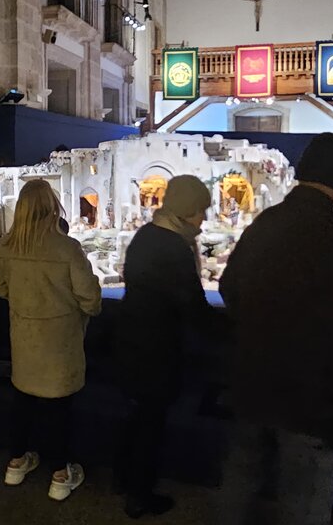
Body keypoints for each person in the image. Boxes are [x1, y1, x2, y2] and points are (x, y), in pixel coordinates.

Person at [218, 133, 333, 524]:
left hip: (250, 372)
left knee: (242, 470)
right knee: (305, 485)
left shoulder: (265, 223)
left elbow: (228, 287)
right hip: (306, 387)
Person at [113, 174, 218, 518]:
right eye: (200, 210)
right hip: (156, 350)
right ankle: (139, 496)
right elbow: (192, 306)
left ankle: (123, 479)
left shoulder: (146, 235)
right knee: (149, 424)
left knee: (135, 418)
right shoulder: (174, 248)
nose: (203, 218)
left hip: (131, 342)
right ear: (187, 210)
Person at [0, 180, 102, 502]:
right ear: (53, 206)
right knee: (59, 408)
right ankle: (59, 475)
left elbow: (1, 289)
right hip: (60, 341)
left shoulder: (6, 247)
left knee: (23, 401)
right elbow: (90, 297)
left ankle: (16, 463)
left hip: (24, 338)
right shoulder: (66, 248)